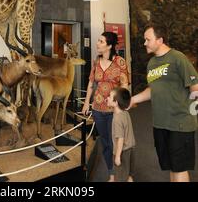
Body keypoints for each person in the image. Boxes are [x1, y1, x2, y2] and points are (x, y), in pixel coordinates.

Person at [130, 23, 198, 182]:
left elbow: (195, 87)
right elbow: (152, 90)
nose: (144, 43)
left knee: (179, 168)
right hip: (160, 124)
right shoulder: (152, 63)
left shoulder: (177, 58)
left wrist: (191, 113)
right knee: (171, 167)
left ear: (160, 40)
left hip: (180, 124)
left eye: (148, 39)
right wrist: (133, 99)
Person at [82, 32, 129, 182]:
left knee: (116, 142)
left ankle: (124, 173)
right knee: (106, 143)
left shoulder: (120, 62)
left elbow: (125, 85)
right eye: (98, 40)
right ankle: (112, 174)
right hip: (97, 110)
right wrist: (86, 102)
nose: (97, 43)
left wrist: (122, 105)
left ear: (109, 45)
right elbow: (90, 84)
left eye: (100, 41)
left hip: (114, 111)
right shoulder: (96, 61)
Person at [107, 87, 135, 182]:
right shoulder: (125, 113)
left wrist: (118, 156)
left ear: (116, 103)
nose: (107, 98)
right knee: (128, 175)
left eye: (109, 97)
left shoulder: (117, 119)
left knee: (120, 178)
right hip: (130, 149)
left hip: (122, 152)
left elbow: (120, 139)